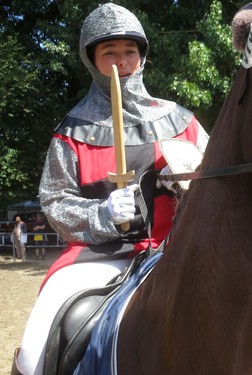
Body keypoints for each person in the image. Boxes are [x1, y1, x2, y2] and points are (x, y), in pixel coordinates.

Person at [14, 4, 209, 375]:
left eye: (129, 51)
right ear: (92, 59)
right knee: (37, 342)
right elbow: (54, 200)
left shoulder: (182, 121)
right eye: (110, 53)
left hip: (177, 253)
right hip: (99, 255)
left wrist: (190, 182)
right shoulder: (71, 131)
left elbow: (216, 186)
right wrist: (99, 215)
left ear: (142, 56)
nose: (122, 61)